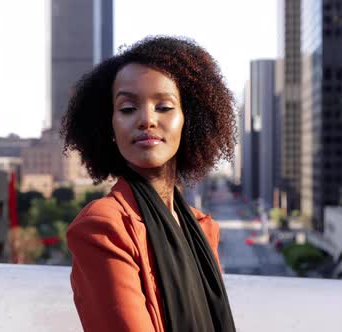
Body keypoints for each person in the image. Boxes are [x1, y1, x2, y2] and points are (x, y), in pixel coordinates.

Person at [62, 36, 237, 332]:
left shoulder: (202, 228)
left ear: (189, 120)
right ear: (110, 126)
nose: (147, 120)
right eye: (128, 108)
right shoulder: (104, 228)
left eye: (164, 107)